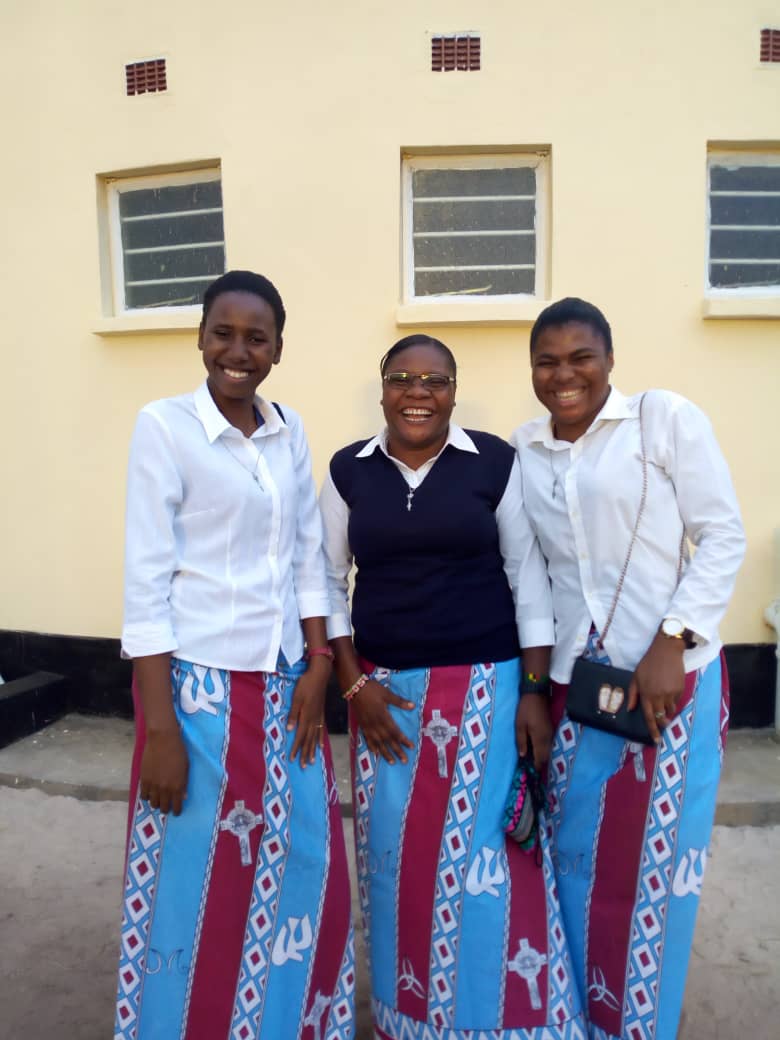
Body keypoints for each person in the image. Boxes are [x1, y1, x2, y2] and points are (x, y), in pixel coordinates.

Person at [320, 335, 587, 1039]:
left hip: (485, 693)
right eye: (403, 378)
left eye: (434, 380)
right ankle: (411, 1019)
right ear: (382, 389)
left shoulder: (494, 462)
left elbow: (527, 578)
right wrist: (352, 682)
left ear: (454, 390)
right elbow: (322, 579)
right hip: (385, 702)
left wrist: (533, 688)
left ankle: (508, 1020)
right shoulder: (348, 471)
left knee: (488, 867)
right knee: (395, 861)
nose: (418, 391)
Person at [114, 270, 354, 1040]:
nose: (238, 351)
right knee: (194, 883)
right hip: (197, 695)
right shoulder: (164, 426)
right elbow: (146, 582)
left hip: (288, 686)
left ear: (279, 348)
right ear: (200, 337)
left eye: (257, 337)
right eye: (224, 332)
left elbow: (310, 558)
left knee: (306, 870)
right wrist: (160, 733)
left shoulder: (289, 429)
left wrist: (318, 667)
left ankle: (287, 1022)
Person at [511, 298, 745, 1040]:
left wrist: (673, 638)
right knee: (575, 868)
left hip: (668, 690)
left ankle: (638, 1022)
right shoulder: (527, 449)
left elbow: (721, 535)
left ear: (610, 358)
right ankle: (577, 1019)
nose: (564, 374)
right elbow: (533, 577)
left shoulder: (664, 419)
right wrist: (535, 689)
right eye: (547, 361)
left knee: (653, 877)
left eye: (581, 357)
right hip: (579, 693)